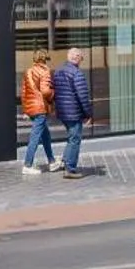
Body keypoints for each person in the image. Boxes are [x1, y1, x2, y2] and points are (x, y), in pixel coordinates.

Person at [50, 47, 93, 180]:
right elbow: (82, 96)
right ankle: (70, 168)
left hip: (62, 111)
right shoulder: (76, 74)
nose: (81, 60)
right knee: (75, 139)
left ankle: (65, 161)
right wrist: (88, 113)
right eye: (81, 57)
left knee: (71, 137)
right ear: (77, 58)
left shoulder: (58, 71)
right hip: (73, 112)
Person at [20, 49, 60, 174]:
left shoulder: (28, 71)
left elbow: (23, 93)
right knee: (35, 137)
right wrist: (54, 93)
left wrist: (26, 109)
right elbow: (45, 91)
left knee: (45, 135)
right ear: (44, 59)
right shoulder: (44, 71)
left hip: (32, 108)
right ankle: (27, 164)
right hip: (40, 108)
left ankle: (52, 161)